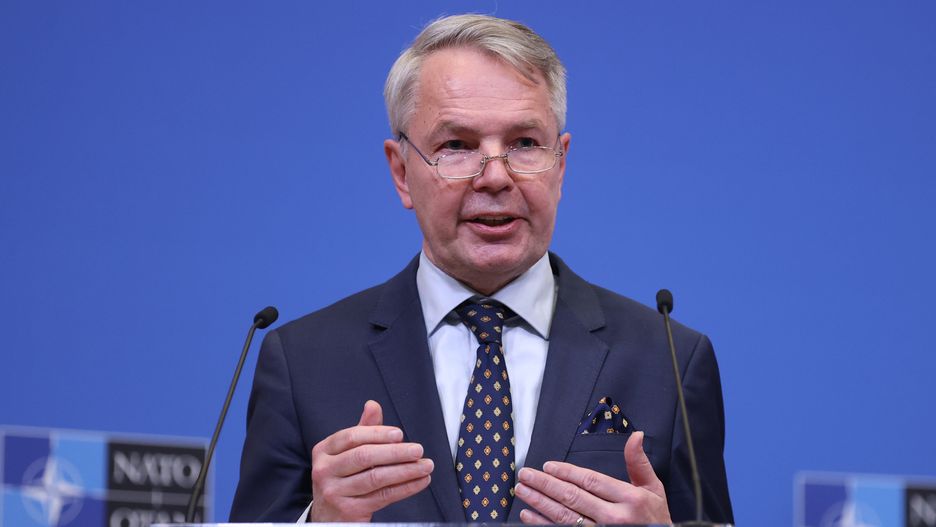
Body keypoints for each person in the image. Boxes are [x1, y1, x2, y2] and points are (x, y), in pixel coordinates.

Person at [230, 14, 732, 525]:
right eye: (457, 146)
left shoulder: (670, 362)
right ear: (402, 173)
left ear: (561, 165)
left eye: (524, 144)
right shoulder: (302, 363)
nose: (495, 176)